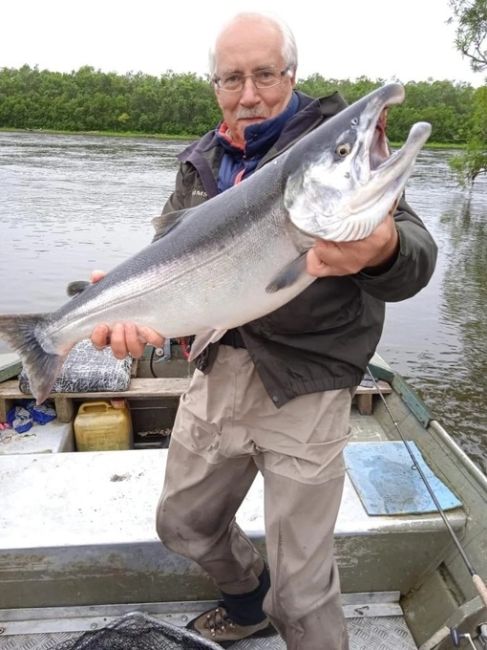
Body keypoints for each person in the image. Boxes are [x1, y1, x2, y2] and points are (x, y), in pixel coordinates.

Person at [91, 12, 437, 649]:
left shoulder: (333, 152)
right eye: (232, 79)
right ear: (215, 85)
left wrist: (382, 249)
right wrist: (135, 316)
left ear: (292, 74)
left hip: (309, 382)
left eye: (264, 75)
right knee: (183, 526)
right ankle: (247, 598)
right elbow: (171, 260)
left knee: (304, 596)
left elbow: (415, 256)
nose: (248, 94)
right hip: (219, 365)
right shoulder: (201, 160)